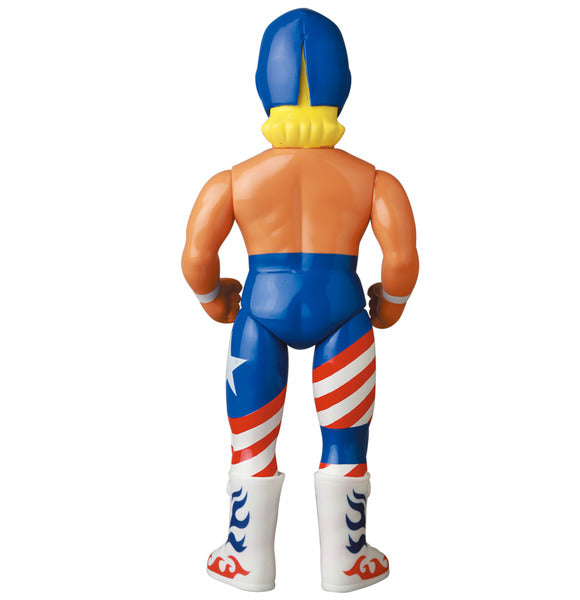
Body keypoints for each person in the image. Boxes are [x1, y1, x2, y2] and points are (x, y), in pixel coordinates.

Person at [182, 8, 418, 592]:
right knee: (346, 438)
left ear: (264, 84)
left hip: (259, 316)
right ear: (344, 84)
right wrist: (389, 307)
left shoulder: (234, 181)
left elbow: (196, 259)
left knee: (251, 438)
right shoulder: (373, 181)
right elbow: (402, 263)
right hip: (343, 315)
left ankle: (245, 558)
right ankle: (347, 561)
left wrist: (215, 300)